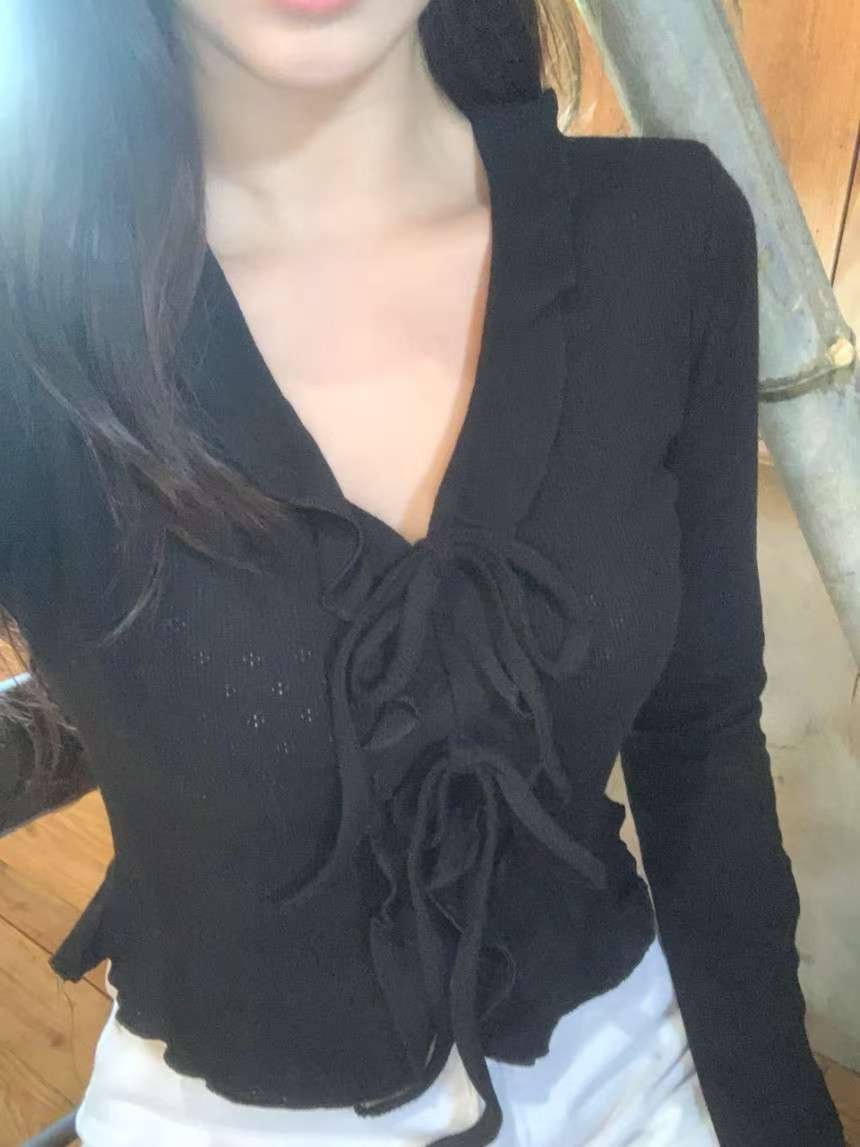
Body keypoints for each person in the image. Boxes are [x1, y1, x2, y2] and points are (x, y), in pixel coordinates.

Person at [0, 1, 846, 1145]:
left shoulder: (665, 231)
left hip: (631, 1076)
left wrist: (781, 1115)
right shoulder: (29, 319)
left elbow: (698, 731)